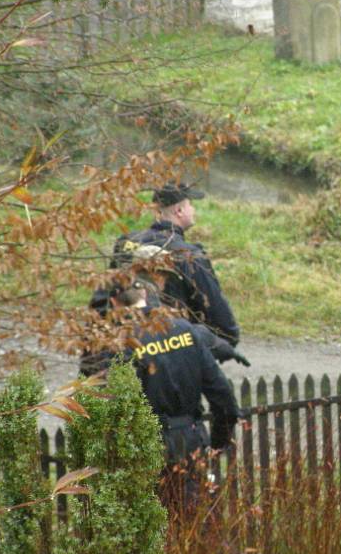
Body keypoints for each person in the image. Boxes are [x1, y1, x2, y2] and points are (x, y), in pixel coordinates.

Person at [81, 278, 242, 510]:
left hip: (142, 446)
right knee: (194, 521)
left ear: (114, 302)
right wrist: (218, 442)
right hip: (190, 440)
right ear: (145, 295)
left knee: (148, 525)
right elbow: (222, 395)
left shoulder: (117, 343)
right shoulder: (184, 330)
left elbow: (102, 403)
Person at [112, 181, 240, 346]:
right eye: (190, 205)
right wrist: (227, 339)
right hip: (170, 341)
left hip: (125, 337)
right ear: (179, 211)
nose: (193, 210)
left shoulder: (125, 242)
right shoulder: (189, 255)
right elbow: (217, 314)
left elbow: (110, 292)